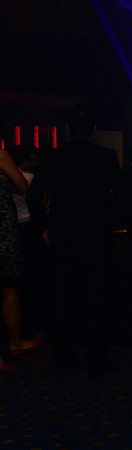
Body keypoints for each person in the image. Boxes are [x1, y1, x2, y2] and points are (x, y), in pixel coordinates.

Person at [27, 103, 124, 377]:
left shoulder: (54, 157)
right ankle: (97, 360)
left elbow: (33, 196)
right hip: (96, 239)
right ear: (94, 129)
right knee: (98, 300)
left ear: (67, 129)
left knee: (61, 299)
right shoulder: (105, 156)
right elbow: (122, 194)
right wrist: (108, 221)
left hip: (62, 238)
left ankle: (63, 359)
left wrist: (43, 227)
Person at [0, 147, 42, 371]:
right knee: (9, 290)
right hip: (3, 232)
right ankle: (15, 344)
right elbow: (23, 187)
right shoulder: (0, 155)